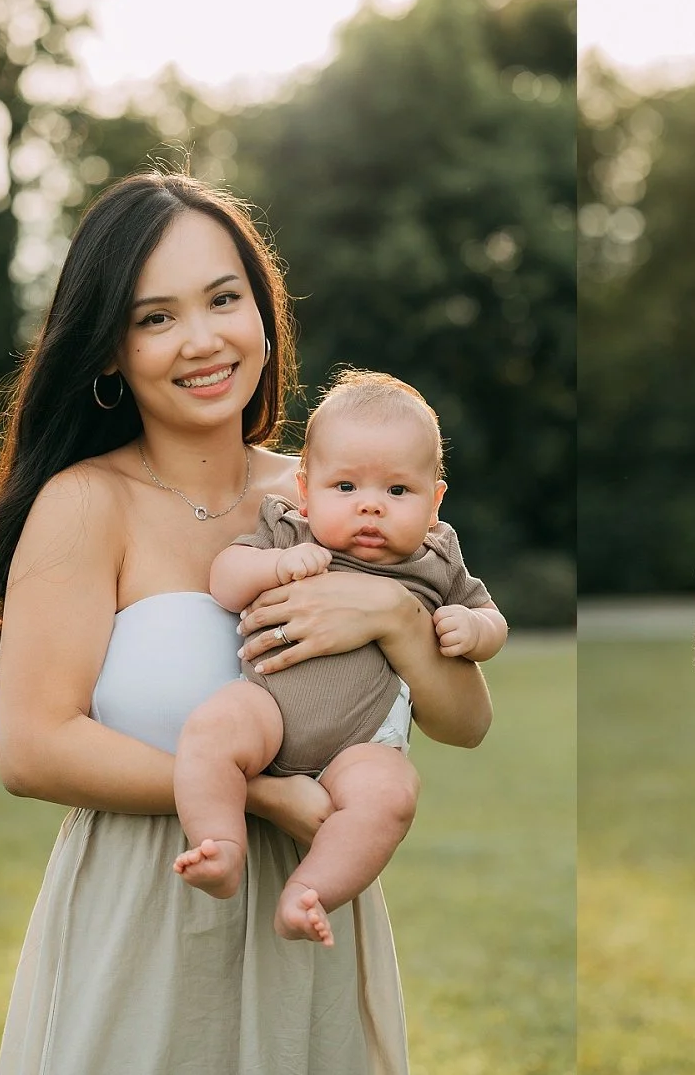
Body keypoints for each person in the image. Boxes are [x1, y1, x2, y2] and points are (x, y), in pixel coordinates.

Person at [0, 171, 492, 1075]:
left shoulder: (336, 495)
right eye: (156, 317)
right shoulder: (86, 505)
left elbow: (466, 721)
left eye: (223, 299)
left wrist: (395, 617)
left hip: (313, 919)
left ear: (263, 312)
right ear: (109, 350)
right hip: (146, 913)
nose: (202, 340)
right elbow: (32, 746)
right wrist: (262, 795)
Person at [173, 369, 508, 947]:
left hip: (362, 744)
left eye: (397, 491)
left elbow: (493, 621)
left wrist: (471, 630)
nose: (370, 508)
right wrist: (275, 568)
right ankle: (221, 848)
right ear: (305, 490)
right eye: (346, 488)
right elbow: (225, 580)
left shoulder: (436, 562)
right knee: (214, 727)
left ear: (435, 501)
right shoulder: (287, 533)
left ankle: (309, 894)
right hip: (269, 710)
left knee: (393, 792)